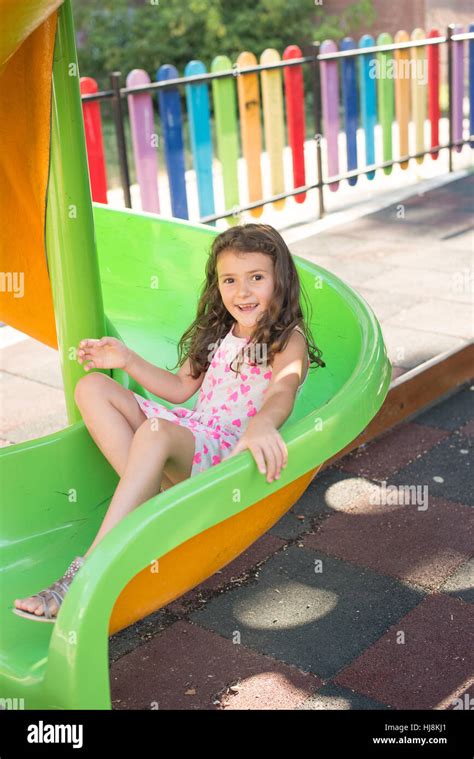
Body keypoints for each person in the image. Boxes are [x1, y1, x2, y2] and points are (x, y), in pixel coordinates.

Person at [12, 223, 325, 622]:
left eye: (256, 278)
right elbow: (179, 388)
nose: (242, 292)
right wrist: (126, 360)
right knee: (92, 387)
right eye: (230, 280)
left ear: (280, 279)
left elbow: (284, 388)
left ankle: (89, 568)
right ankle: (157, 510)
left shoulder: (287, 338)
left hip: (226, 453)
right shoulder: (219, 331)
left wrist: (263, 423)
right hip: (195, 432)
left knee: (155, 431)